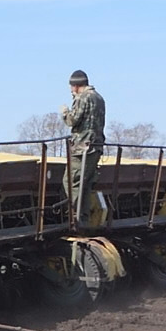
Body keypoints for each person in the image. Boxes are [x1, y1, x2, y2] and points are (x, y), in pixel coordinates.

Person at [61, 69, 104, 219]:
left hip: (82, 148)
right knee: (86, 183)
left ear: (76, 85)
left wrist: (65, 112)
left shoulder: (82, 98)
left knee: (71, 181)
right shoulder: (99, 98)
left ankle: (74, 216)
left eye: (71, 87)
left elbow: (73, 120)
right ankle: (83, 216)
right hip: (96, 146)